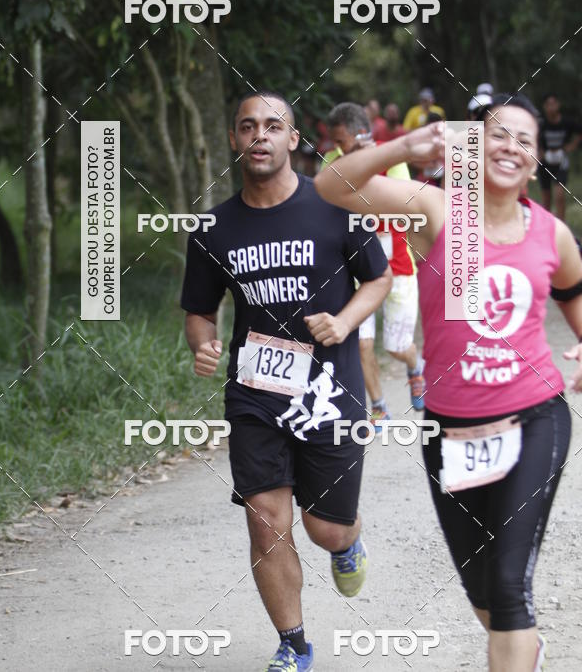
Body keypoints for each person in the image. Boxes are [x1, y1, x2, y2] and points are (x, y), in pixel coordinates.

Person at [315, 94, 582, 672]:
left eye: (525, 141)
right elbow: (330, 188)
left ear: (536, 162)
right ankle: (525, 650)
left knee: (510, 590)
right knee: (485, 596)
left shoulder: (553, 235)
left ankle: (517, 639)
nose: (512, 148)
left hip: (535, 417)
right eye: (499, 135)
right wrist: (403, 147)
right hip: (450, 430)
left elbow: (572, 290)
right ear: (473, 146)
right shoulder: (438, 210)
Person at [181, 90, 391, 672]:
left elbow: (379, 278)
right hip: (256, 393)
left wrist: (345, 321)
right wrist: (203, 344)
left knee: (324, 528)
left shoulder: (334, 206)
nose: (260, 135)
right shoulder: (213, 227)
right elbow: (199, 309)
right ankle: (293, 644)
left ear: (293, 139)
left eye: (273, 125)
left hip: (330, 390)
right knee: (265, 518)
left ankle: (347, 543)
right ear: (234, 139)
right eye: (247, 126)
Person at [326, 102, 425, 426]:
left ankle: (415, 366)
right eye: (335, 142)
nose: (338, 149)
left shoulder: (390, 158)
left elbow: (404, 204)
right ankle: (380, 407)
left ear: (362, 134)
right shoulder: (333, 162)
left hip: (397, 265)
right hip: (358, 271)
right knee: (362, 343)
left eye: (343, 141)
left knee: (397, 347)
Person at [538, 94, 581, 221]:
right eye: (548, 105)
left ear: (558, 105)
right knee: (546, 198)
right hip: (545, 161)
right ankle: (545, 227)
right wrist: (540, 152)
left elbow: (579, 133)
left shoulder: (567, 122)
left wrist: (571, 146)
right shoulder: (541, 124)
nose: (551, 107)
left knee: (560, 194)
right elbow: (532, 136)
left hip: (561, 161)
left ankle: (561, 226)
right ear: (545, 107)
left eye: (553, 104)